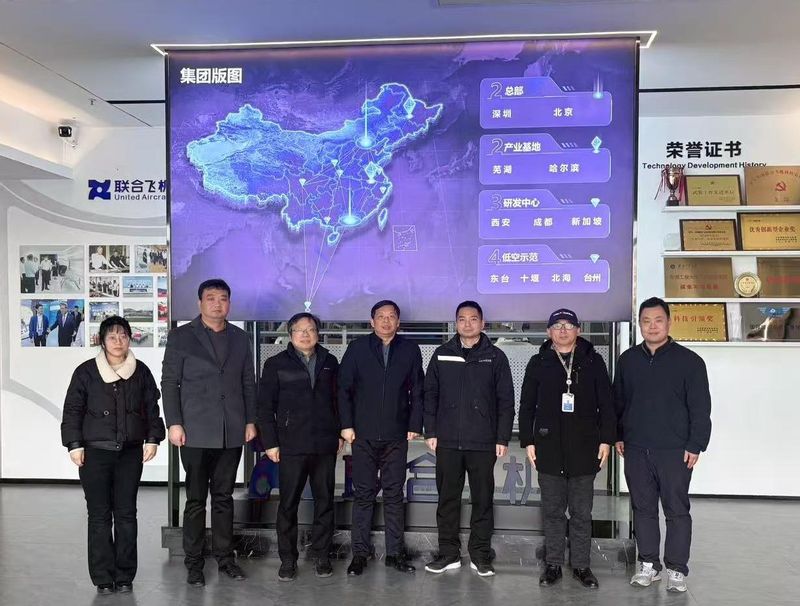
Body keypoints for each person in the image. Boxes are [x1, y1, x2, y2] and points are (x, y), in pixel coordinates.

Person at [161, 278, 258, 587]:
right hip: (194, 430)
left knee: (224, 497)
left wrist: (250, 420)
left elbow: (248, 382)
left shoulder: (240, 338)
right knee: (195, 500)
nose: (218, 303)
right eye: (211, 298)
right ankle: (194, 563)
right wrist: (174, 422)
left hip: (231, 429)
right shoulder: (181, 336)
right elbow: (170, 382)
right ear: (200, 302)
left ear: (229, 303)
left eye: (223, 298)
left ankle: (225, 558)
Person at [60, 315, 165, 594]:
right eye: (112, 337)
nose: (118, 341)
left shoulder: (141, 371)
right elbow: (72, 410)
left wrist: (153, 438)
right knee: (99, 515)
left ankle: (125, 575)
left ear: (129, 339)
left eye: (123, 336)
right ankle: (103, 578)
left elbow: (151, 408)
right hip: (94, 453)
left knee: (127, 514)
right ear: (102, 341)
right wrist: (74, 444)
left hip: (130, 453)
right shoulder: (86, 372)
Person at [614, 297, 712, 593]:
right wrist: (618, 435)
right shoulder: (628, 360)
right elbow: (618, 402)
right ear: (640, 324)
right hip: (636, 448)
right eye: (646, 321)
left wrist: (696, 444)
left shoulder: (690, 362)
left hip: (675, 451)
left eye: (658, 320)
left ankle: (677, 569)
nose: (652, 326)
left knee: (676, 510)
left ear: (669, 322)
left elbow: (700, 408)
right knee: (643, 509)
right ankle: (649, 564)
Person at [518, 308, 616, 589]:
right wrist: (528, 440)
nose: (563, 330)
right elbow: (526, 405)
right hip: (548, 447)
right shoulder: (538, 362)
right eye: (557, 325)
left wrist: (606, 439)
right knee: (553, 511)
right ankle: (553, 564)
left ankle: (582, 566)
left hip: (585, 448)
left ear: (579, 330)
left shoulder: (593, 361)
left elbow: (607, 403)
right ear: (548, 332)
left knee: (582, 512)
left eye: (569, 325)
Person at [423, 300, 514, 577]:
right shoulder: (442, 354)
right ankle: (448, 554)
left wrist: (502, 437)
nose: (467, 324)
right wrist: (431, 431)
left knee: (482, 500)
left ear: (482, 323)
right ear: (456, 323)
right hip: (447, 440)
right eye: (462, 319)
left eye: (473, 319)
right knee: (447, 500)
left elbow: (505, 401)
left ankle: (480, 555)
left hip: (482, 441)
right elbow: (430, 395)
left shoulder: (495, 357)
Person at [338, 300, 424, 576]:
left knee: (394, 495)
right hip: (362, 434)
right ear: (371, 321)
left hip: (396, 435)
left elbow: (417, 390)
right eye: (381, 316)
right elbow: (343, 389)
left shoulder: (409, 350)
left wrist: (414, 424)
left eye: (391, 316)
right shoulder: (357, 348)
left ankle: (395, 554)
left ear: (398, 322)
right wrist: (346, 425)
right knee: (363, 495)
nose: (386, 321)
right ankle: (359, 554)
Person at [258, 312, 341, 581]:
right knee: (288, 505)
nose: (305, 335)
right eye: (299, 330)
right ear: (290, 334)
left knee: (325, 503)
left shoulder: (330, 362)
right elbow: (264, 407)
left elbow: (338, 400)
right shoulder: (275, 364)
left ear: (318, 333)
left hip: (324, 444)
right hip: (290, 445)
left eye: (311, 329)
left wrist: (339, 432)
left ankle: (322, 556)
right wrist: (270, 442)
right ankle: (288, 560)